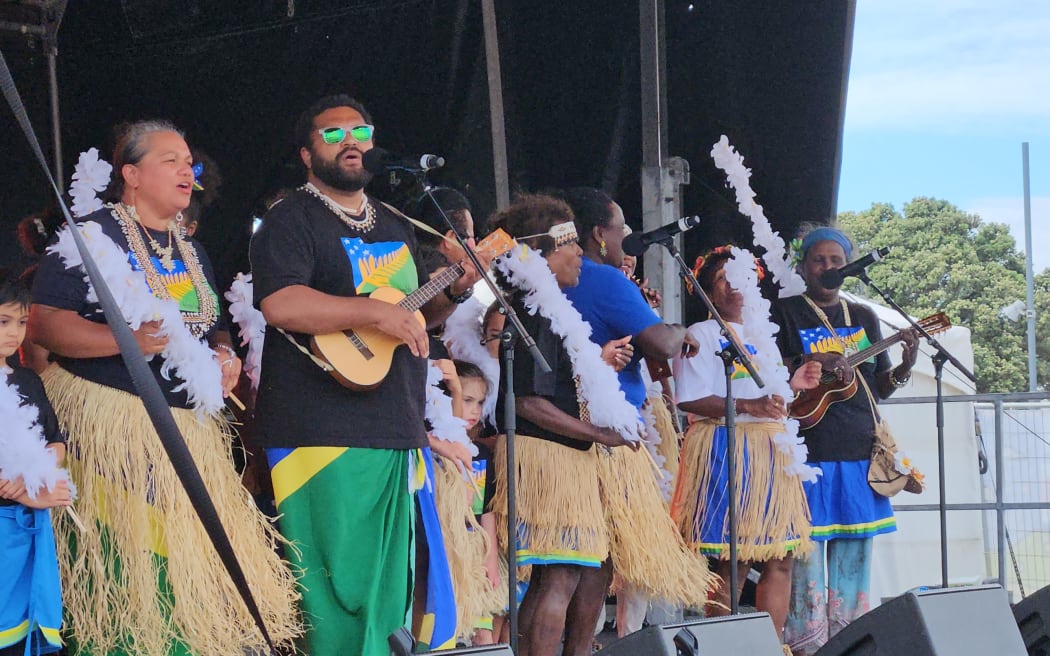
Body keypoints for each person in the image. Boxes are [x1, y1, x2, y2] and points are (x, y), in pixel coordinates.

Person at [28, 119, 300, 655]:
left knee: (190, 566)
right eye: (170, 160)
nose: (187, 171)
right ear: (131, 174)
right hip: (111, 424)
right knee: (133, 562)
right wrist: (124, 340)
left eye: (190, 164)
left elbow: (210, 323)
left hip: (185, 428)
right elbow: (44, 324)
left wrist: (223, 354)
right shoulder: (90, 236)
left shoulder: (190, 251)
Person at [249, 94, 487, 656]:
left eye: (361, 130)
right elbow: (282, 304)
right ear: (307, 154)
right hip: (320, 430)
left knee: (387, 594)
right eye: (333, 134)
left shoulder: (394, 222)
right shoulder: (291, 218)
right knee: (334, 592)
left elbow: (412, 315)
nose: (351, 141)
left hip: (393, 424)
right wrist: (372, 311)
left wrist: (454, 287)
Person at [560, 188, 714, 639]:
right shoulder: (605, 279)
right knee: (596, 563)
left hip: (560, 429)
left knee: (564, 567)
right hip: (605, 435)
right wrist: (678, 328)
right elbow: (663, 344)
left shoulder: (557, 277)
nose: (626, 237)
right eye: (620, 229)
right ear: (598, 235)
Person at [772, 226, 918, 655]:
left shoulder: (864, 317)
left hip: (859, 452)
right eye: (820, 259)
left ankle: (851, 645)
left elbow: (880, 387)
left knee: (855, 562)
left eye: (837, 260)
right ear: (803, 266)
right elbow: (770, 366)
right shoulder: (786, 312)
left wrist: (906, 366)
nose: (829, 267)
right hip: (807, 451)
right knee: (806, 561)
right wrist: (812, 361)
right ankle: (804, 647)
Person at [671, 247, 821, 643]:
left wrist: (792, 386)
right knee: (730, 559)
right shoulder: (700, 334)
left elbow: (772, 401)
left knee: (781, 555)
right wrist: (749, 405)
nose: (735, 285)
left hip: (773, 451)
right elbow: (688, 397)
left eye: (742, 276)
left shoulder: (763, 337)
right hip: (726, 446)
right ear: (708, 290)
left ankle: (768, 647)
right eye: (723, 277)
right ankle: (721, 645)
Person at [0, 272, 72, 656]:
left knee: (26, 629)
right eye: (3, 321)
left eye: (22, 322)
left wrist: (36, 477)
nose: (14, 333)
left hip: (29, 528)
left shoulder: (29, 380)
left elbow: (56, 442)